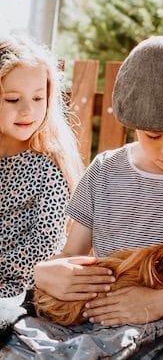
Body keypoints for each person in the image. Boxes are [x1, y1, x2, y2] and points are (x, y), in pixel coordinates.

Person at [3, 35, 163, 360]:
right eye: (153, 135)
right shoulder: (106, 170)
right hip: (97, 317)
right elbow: (72, 253)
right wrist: (50, 273)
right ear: (132, 123)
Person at [0, 35, 83, 299]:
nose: (28, 110)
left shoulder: (47, 168)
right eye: (13, 99)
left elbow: (43, 249)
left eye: (38, 98)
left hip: (17, 293)